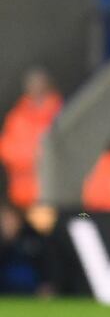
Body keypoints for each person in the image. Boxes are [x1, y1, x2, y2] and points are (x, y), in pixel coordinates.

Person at [0, 68, 62, 213]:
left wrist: (34, 155)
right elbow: (6, 149)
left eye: (40, 85)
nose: (36, 90)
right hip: (20, 195)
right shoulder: (16, 117)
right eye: (33, 86)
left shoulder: (59, 113)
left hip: (52, 194)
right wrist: (33, 156)